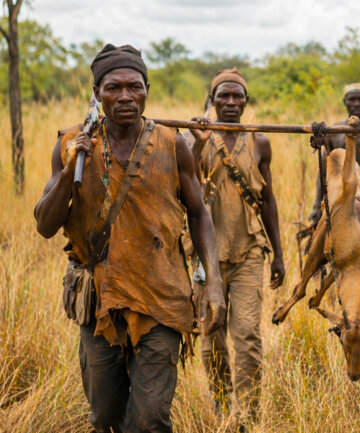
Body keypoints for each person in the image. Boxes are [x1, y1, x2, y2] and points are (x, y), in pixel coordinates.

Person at [34, 44, 226, 433]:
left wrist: (214, 282)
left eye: (134, 87)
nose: (125, 96)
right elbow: (45, 225)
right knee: (106, 416)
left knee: (150, 417)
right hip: (100, 300)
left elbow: (199, 214)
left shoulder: (172, 144)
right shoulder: (72, 144)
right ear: (97, 94)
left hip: (161, 295)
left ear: (147, 91)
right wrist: (70, 169)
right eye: (114, 88)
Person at [186, 68, 285, 428]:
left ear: (245, 101)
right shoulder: (194, 138)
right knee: (211, 337)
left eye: (237, 96)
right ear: (212, 101)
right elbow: (183, 184)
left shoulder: (259, 142)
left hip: (249, 252)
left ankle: (247, 417)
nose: (230, 102)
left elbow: (268, 200)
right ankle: (222, 405)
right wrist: (198, 142)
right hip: (206, 257)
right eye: (223, 96)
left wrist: (279, 255)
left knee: (247, 338)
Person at [309, 83, 360, 224]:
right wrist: (317, 204)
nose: (356, 104)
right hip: (340, 195)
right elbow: (323, 171)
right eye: (352, 100)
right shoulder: (333, 132)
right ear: (345, 102)